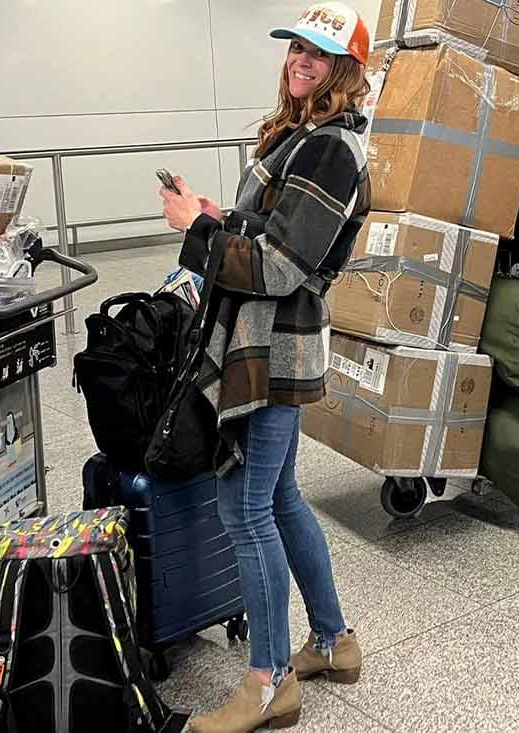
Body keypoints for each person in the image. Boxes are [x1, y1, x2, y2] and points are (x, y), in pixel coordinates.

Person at [158, 3, 372, 730]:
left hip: (271, 349)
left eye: (318, 54)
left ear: (344, 69)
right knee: (278, 497)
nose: (300, 62)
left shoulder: (332, 149)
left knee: (243, 508)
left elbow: (281, 269)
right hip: (271, 342)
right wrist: (221, 220)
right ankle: (334, 642)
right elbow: (273, 235)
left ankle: (270, 679)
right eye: (295, 50)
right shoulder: (304, 135)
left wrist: (198, 236)